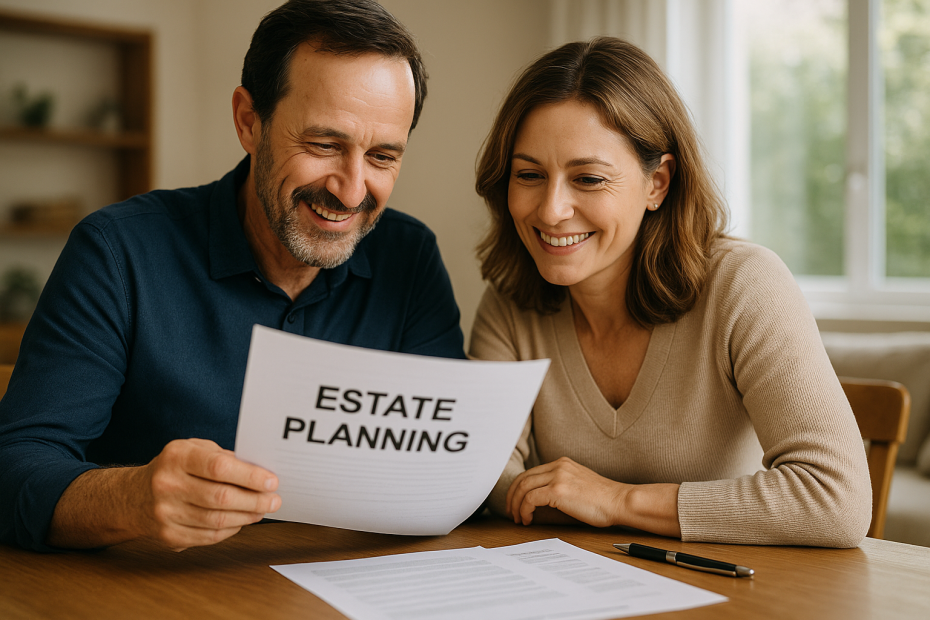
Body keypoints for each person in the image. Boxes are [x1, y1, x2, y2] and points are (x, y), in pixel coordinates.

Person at [0, 0, 464, 552]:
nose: (351, 190)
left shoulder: (409, 258)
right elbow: (13, 471)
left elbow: (445, 465)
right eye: (323, 145)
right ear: (249, 122)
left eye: (383, 156)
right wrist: (131, 498)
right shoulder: (117, 252)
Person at [470, 37, 871, 547]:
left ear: (657, 183)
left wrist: (617, 501)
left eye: (588, 178)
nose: (550, 211)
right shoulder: (509, 303)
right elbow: (482, 482)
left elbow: (835, 499)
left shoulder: (744, 286)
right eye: (529, 175)